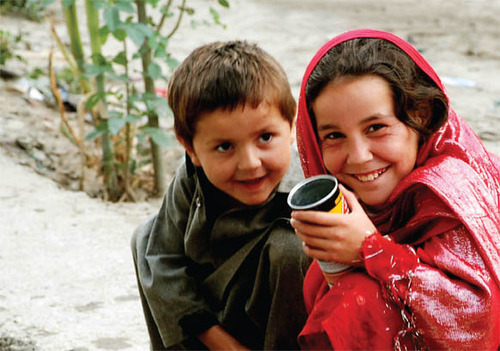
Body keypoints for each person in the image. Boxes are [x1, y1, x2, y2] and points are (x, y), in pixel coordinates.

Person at [290, 29, 500, 350]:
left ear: (421, 115)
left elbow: (478, 321)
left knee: (356, 302)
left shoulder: (451, 190)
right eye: (333, 136)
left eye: (376, 128)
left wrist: (370, 249)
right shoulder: (351, 197)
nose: (359, 156)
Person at [131, 40, 311, 350]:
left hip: (275, 328)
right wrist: (218, 341)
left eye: (266, 137)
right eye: (225, 146)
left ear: (291, 124)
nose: (250, 163)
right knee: (146, 237)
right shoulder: (192, 177)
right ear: (191, 149)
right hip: (207, 321)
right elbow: (162, 260)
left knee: (293, 249)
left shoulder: (310, 189)